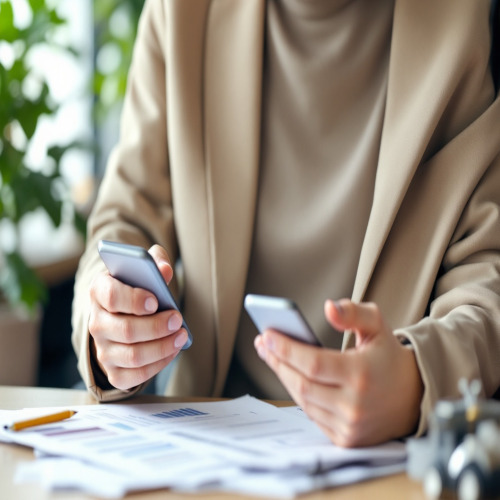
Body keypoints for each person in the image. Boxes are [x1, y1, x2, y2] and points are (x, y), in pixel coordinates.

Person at [72, 0, 500, 447]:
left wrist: (417, 381)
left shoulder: (465, 19)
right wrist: (111, 325)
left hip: (391, 455)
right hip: (209, 441)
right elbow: (125, 218)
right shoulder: (181, 12)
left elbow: (485, 278)